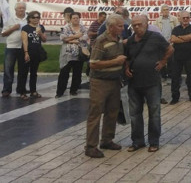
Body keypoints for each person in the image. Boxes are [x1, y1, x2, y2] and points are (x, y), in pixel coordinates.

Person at [124, 15, 173, 153]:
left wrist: (163, 62)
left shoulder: (155, 37)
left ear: (146, 24)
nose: (137, 27)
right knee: (134, 113)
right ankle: (137, 141)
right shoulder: (130, 41)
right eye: (134, 25)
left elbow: (170, 49)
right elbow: (127, 57)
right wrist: (126, 68)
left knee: (154, 113)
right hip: (134, 83)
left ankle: (154, 142)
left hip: (152, 82)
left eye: (139, 24)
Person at [85, 14, 127, 158]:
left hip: (114, 81)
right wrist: (115, 62)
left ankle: (107, 140)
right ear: (110, 27)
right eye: (120, 26)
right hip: (100, 82)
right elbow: (94, 63)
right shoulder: (101, 40)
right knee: (95, 113)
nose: (123, 28)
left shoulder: (118, 39)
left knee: (112, 112)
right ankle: (90, 146)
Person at [56, 12, 89, 97]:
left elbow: (85, 38)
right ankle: (60, 92)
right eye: (74, 18)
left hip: (79, 54)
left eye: (77, 18)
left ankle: (73, 90)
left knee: (77, 74)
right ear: (70, 19)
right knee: (64, 73)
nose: (75, 19)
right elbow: (63, 38)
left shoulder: (83, 28)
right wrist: (77, 36)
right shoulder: (66, 27)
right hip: (67, 54)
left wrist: (70, 39)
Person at [18, 11, 47, 99]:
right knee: (24, 73)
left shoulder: (41, 27)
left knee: (34, 73)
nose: (36, 19)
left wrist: (40, 33)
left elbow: (44, 40)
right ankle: (22, 92)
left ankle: (33, 91)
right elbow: (24, 41)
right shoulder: (25, 28)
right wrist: (26, 53)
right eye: (34, 17)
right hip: (27, 52)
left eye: (38, 17)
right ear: (29, 18)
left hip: (37, 52)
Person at [168, 11, 191, 104]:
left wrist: (179, 38)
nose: (185, 19)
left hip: (189, 56)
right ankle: (175, 97)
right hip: (177, 57)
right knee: (175, 78)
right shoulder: (175, 29)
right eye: (183, 18)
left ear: (189, 18)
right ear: (179, 18)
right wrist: (185, 38)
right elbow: (173, 39)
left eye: (187, 17)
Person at [2, 1, 27, 98]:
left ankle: (21, 89)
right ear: (15, 9)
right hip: (11, 47)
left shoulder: (28, 19)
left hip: (23, 47)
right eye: (19, 8)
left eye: (23, 8)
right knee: (8, 69)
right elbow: (3, 34)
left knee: (23, 69)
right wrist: (13, 28)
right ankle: (6, 90)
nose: (21, 9)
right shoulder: (10, 19)